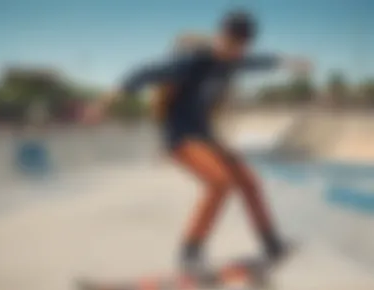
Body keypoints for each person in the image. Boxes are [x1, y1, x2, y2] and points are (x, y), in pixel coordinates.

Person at [83, 9, 312, 275]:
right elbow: (141, 73)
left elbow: (260, 62)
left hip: (207, 138)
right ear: (221, 36)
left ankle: (272, 244)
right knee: (219, 182)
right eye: (231, 44)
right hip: (181, 138)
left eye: (241, 47)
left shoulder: (235, 61)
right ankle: (190, 253)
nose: (235, 52)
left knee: (250, 183)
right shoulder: (192, 61)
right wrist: (103, 103)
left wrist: (290, 63)